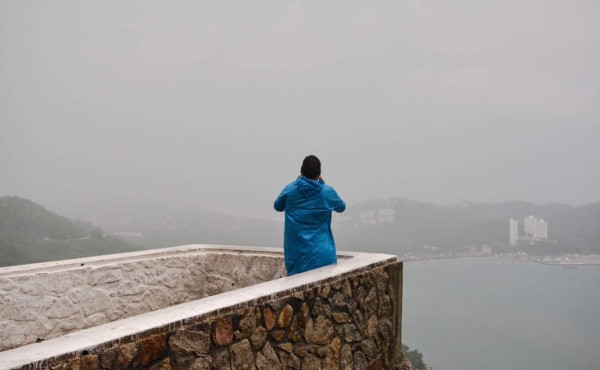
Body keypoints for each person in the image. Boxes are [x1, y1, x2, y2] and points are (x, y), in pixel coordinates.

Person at [274, 155, 346, 275]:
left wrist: (297, 183)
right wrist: (322, 184)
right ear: (319, 173)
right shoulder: (327, 192)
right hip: (323, 256)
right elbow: (341, 207)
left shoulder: (289, 190)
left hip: (296, 258)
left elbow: (278, 206)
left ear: (301, 171)